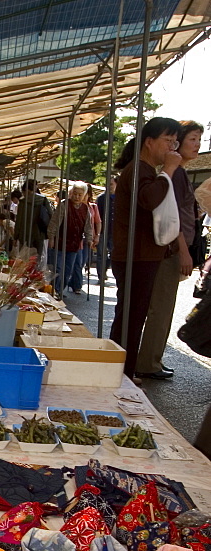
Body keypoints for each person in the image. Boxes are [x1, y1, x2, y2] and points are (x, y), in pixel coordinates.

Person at [108, 116, 182, 380]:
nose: (172, 147)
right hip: (135, 255)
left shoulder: (142, 168)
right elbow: (150, 199)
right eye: (168, 140)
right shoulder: (140, 169)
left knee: (131, 315)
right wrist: (169, 171)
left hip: (139, 253)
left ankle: (121, 370)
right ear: (149, 142)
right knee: (131, 316)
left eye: (175, 141)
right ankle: (122, 373)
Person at [135, 119, 203, 380]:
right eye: (192, 139)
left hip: (172, 248)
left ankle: (152, 359)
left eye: (199, 140)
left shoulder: (179, 173)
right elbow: (170, 217)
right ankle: (148, 361)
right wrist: (183, 250)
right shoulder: (173, 173)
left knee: (163, 307)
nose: (196, 145)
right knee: (160, 307)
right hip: (170, 249)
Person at [46, 182, 93, 297]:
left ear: (84, 195)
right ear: (71, 193)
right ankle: (55, 291)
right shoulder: (64, 205)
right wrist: (51, 237)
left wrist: (89, 239)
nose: (77, 197)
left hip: (74, 244)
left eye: (80, 195)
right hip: (60, 242)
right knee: (58, 268)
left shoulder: (85, 209)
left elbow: (88, 226)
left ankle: (60, 290)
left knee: (68, 271)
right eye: (75, 194)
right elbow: (54, 223)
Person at [13, 179, 52, 255]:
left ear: (26, 190)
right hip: (40, 233)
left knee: (24, 259)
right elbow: (50, 214)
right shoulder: (43, 199)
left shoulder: (23, 202)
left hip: (24, 234)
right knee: (37, 258)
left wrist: (15, 237)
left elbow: (19, 221)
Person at [96, 176, 117, 282]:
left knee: (112, 254)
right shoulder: (101, 198)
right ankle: (101, 275)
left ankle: (105, 270)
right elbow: (97, 215)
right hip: (103, 230)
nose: (109, 187)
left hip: (115, 231)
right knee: (101, 254)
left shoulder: (120, 197)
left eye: (111, 184)